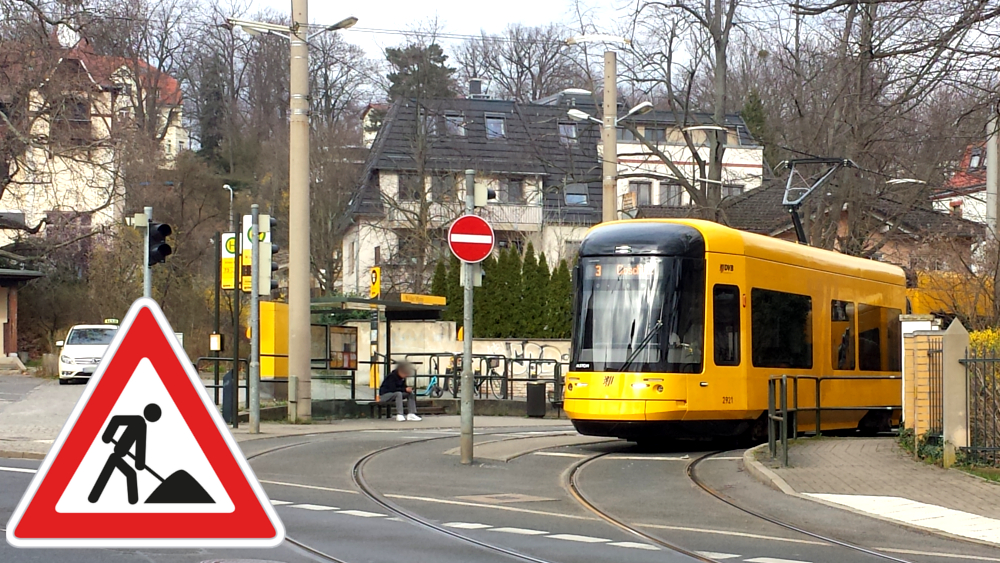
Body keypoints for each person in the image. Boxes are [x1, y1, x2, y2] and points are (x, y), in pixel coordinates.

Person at [88, 403, 161, 504]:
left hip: (118, 455)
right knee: (129, 474)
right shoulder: (137, 420)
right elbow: (116, 420)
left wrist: (139, 463)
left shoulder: (141, 424)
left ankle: (94, 498)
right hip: (116, 455)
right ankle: (94, 498)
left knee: (128, 474)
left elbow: (140, 446)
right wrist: (108, 435)